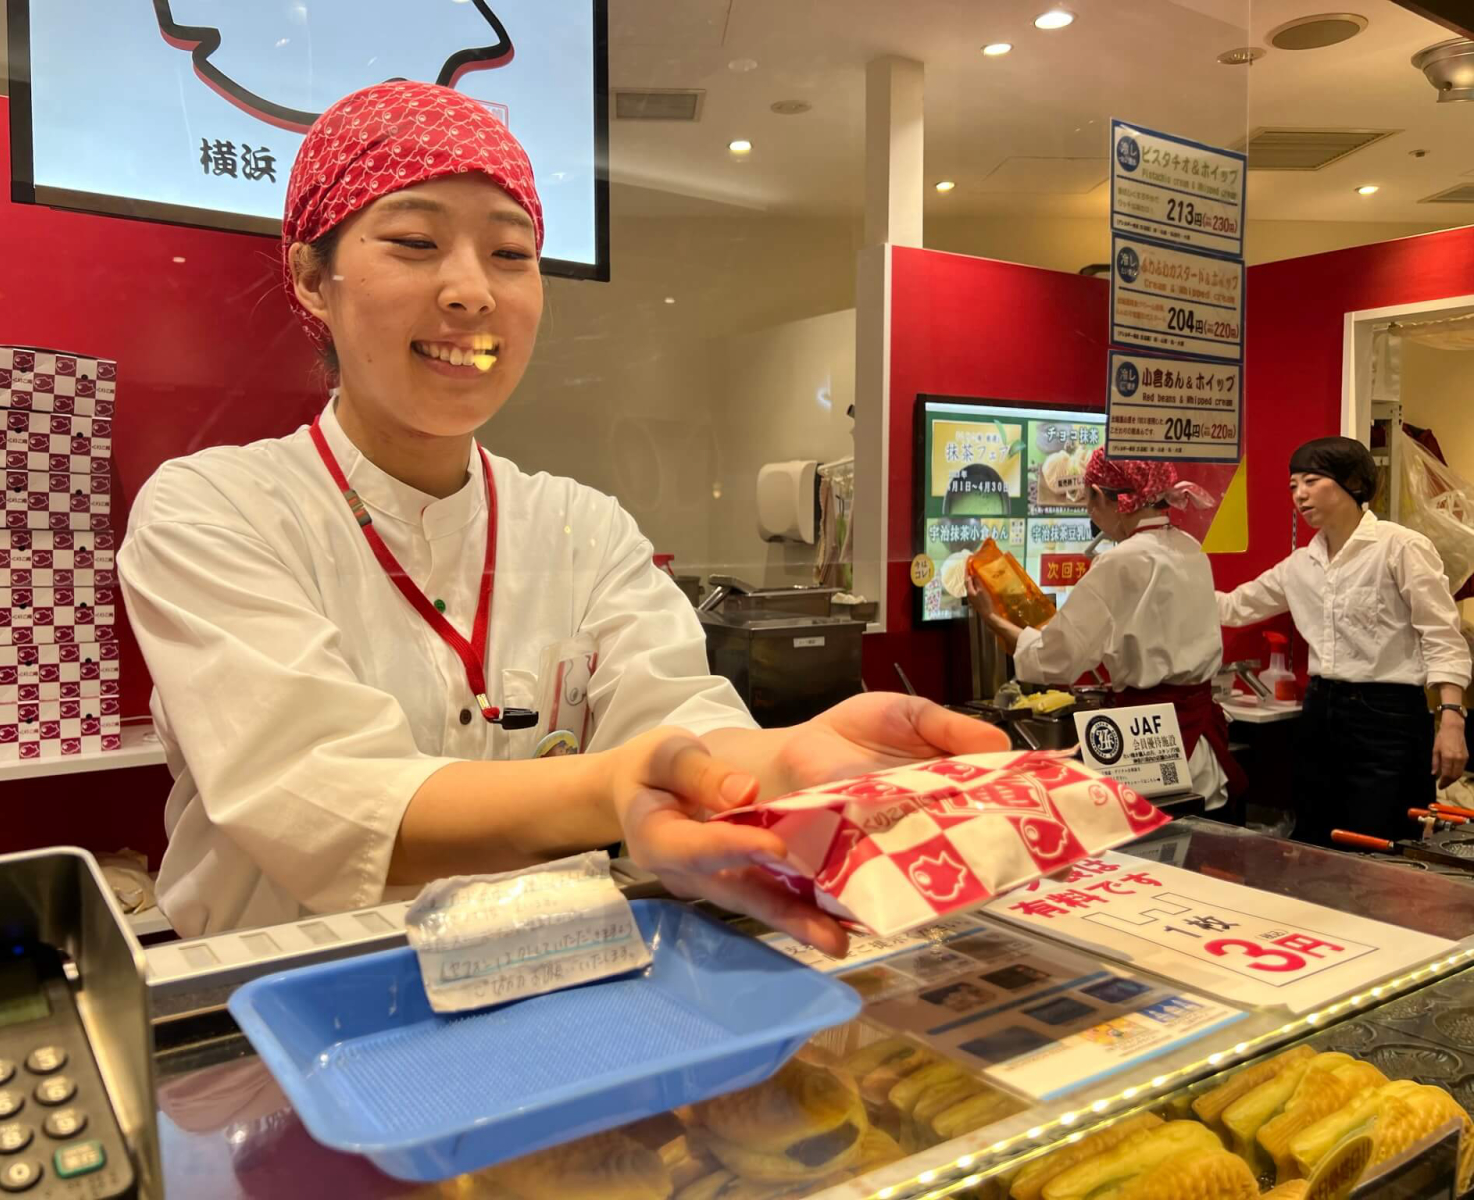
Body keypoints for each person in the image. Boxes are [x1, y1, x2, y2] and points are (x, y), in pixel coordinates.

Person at [118, 81, 1008, 949]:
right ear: (313, 278)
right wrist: (617, 787)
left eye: (511, 254)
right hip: (270, 1017)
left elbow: (674, 721)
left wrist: (782, 768)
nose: (472, 292)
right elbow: (320, 793)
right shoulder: (212, 511)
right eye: (415, 242)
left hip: (550, 981)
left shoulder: (585, 527)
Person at [1218, 436, 1470, 841]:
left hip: (1389, 715)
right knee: (1317, 832)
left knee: (1381, 837)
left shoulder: (1399, 546)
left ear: (1352, 482)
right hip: (1320, 711)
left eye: (1312, 481)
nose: (1299, 494)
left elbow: (1442, 635)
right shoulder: (1301, 564)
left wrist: (1453, 719)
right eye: (1293, 485)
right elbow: (1232, 607)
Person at [967, 449, 1242, 809]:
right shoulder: (1190, 547)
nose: (1088, 511)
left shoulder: (1121, 560)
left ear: (1101, 494)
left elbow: (1055, 659)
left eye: (1087, 498)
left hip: (1150, 747)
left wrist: (992, 617)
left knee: (1153, 853)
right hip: (1201, 747)